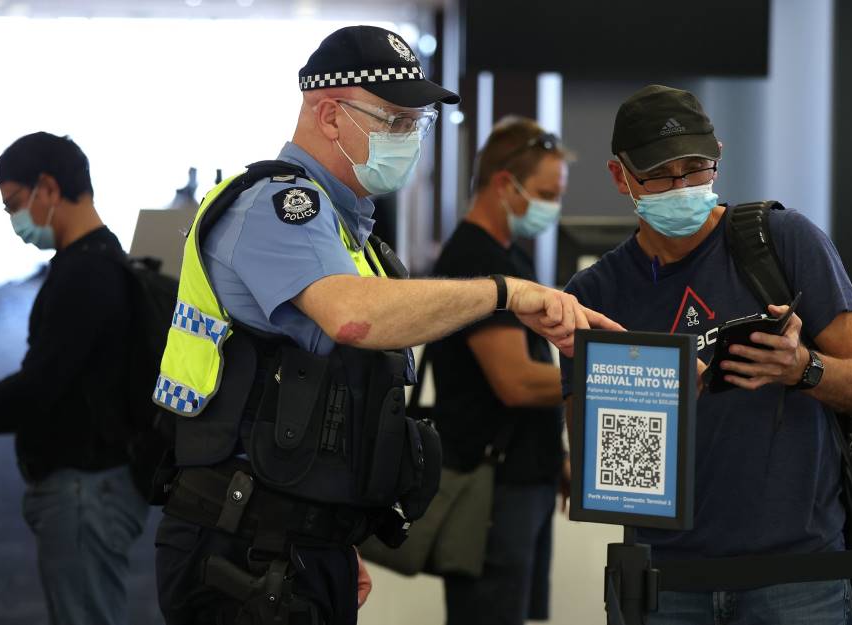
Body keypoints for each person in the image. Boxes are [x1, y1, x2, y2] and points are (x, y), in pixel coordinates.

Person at [152, 26, 619, 625]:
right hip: (239, 541)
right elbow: (352, 319)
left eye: (415, 124)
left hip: (296, 537)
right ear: (328, 115)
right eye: (393, 120)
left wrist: (335, 531)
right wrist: (504, 293)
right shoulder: (276, 208)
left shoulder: (351, 235)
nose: (408, 139)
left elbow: (329, 394)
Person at [558, 84, 852, 624]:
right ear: (621, 176)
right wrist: (652, 405)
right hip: (665, 577)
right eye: (661, 174)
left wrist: (802, 367)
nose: (682, 186)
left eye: (696, 168)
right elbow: (597, 470)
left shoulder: (781, 241)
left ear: (719, 159)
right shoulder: (596, 294)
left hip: (796, 573)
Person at [0, 132, 150, 625]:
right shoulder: (98, 262)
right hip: (93, 487)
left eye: (14, 204)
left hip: (86, 493)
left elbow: (40, 387)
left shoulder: (87, 274)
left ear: (48, 187)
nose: (14, 221)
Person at [427, 117, 572, 625]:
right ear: (505, 184)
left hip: (522, 480)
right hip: (492, 492)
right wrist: (605, 380)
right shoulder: (474, 260)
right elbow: (515, 381)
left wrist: (555, 456)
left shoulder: (511, 257)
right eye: (545, 193)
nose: (552, 207)